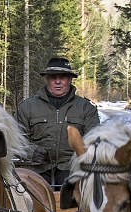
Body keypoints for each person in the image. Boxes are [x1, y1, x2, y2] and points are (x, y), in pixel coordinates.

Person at [16, 57, 100, 185]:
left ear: (70, 80)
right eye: (53, 78)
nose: (58, 82)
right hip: (37, 168)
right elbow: (16, 139)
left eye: (63, 77)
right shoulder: (27, 107)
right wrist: (31, 151)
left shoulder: (86, 108)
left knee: (77, 193)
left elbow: (95, 140)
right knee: (24, 194)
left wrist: (80, 155)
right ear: (47, 79)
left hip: (72, 168)